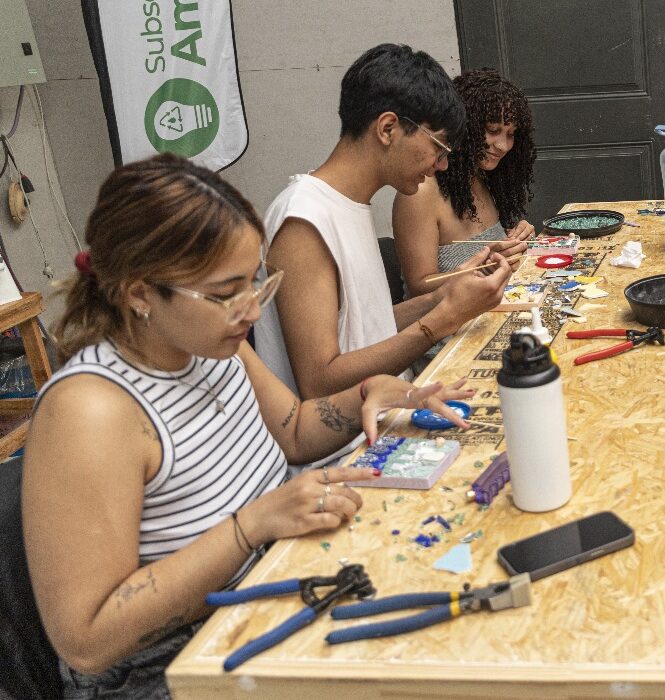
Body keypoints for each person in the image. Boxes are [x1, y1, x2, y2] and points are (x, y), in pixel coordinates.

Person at [23, 154, 473, 698]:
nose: (252, 311)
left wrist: (365, 396)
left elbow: (295, 430)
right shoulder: (89, 412)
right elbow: (87, 641)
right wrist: (250, 526)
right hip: (165, 667)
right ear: (139, 293)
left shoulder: (210, 345)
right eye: (224, 293)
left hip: (265, 588)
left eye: (254, 285)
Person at [254, 44, 512, 404]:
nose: (441, 164)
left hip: (391, 407)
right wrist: (441, 320)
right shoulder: (304, 220)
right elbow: (320, 382)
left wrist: (440, 297)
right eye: (438, 147)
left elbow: (364, 330)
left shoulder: (350, 206)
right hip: (355, 435)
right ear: (388, 128)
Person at [394, 68, 535, 297]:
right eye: (493, 130)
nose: (503, 145)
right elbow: (418, 287)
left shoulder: (485, 177)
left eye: (511, 134)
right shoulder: (420, 192)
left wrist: (517, 239)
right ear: (465, 126)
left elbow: (484, 247)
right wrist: (485, 266)